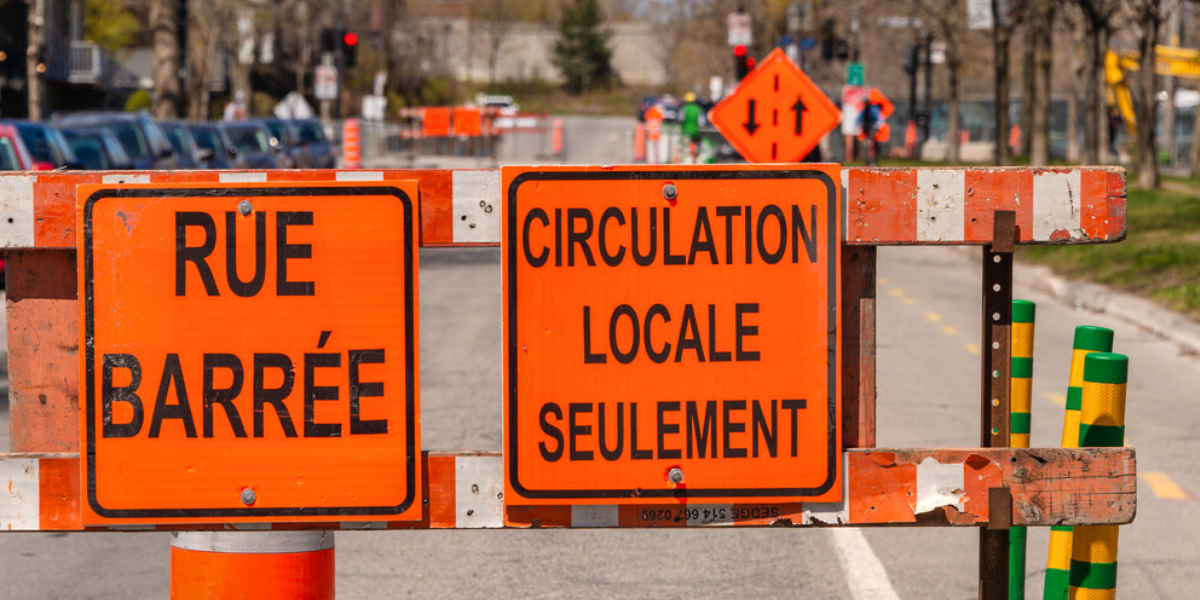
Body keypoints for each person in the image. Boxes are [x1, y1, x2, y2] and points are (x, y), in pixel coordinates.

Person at [680, 92, 702, 163]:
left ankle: (688, 159)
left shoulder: (684, 109)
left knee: (686, 146)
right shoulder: (697, 109)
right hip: (695, 130)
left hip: (686, 130)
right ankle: (694, 158)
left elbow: (681, 119)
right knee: (694, 144)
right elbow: (701, 121)